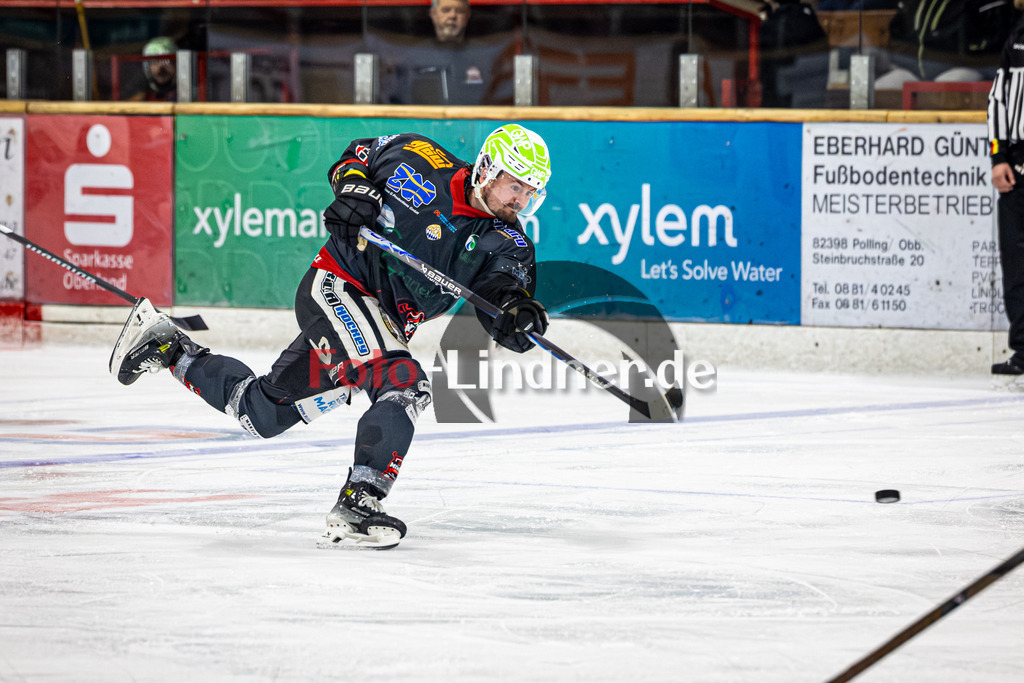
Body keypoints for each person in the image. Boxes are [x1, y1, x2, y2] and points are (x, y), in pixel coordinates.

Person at [108, 124, 553, 548]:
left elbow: (502, 294)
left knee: (262, 413)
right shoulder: (419, 155)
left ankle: (169, 350)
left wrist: (516, 315)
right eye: (515, 186)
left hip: (383, 324)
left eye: (531, 192)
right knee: (403, 383)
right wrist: (354, 191)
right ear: (487, 170)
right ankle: (359, 504)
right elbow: (357, 157)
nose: (521, 200)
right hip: (338, 287)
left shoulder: (508, 243)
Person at [988, 0, 1024, 375]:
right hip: (1017, 169)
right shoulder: (1017, 33)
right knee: (1016, 266)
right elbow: (997, 101)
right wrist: (997, 158)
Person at [130, 36, 177, 102]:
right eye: (153, 62)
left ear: (176, 63)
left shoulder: (188, 95)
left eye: (166, 61)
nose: (159, 68)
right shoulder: (143, 98)